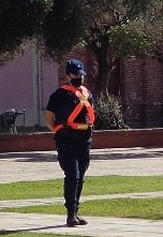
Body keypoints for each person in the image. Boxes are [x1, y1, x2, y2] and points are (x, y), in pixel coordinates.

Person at [43, 58, 95, 227]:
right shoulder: (59, 95)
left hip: (84, 141)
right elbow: (49, 117)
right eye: (75, 74)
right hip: (66, 141)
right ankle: (70, 213)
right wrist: (58, 131)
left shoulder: (87, 95)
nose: (79, 77)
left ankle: (76, 211)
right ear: (68, 76)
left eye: (81, 74)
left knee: (81, 176)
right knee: (73, 175)